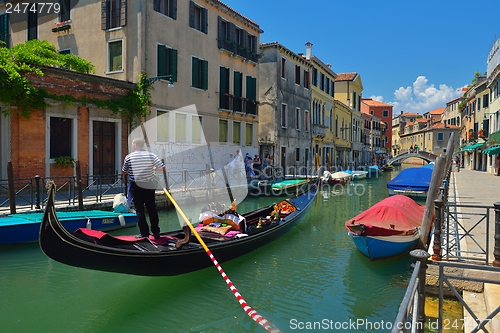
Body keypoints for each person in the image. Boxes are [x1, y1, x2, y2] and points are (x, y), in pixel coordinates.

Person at [122, 138, 166, 239]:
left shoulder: (129, 157)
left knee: (139, 210)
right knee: (152, 208)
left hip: (136, 185)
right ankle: (156, 232)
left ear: (135, 145)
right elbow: (163, 168)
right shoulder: (151, 155)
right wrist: (154, 168)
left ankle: (144, 233)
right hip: (149, 184)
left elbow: (124, 171)